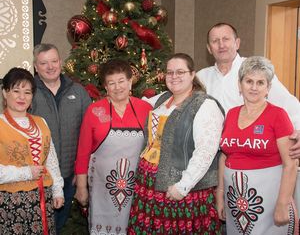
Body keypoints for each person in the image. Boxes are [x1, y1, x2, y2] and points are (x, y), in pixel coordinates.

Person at [127, 53, 225, 234]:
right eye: (169, 72)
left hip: (180, 186)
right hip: (148, 186)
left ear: (192, 74)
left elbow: (206, 151)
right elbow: (133, 102)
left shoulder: (204, 105)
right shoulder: (163, 99)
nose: (174, 77)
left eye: (180, 72)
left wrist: (183, 186)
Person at [217, 56, 299, 234]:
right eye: (249, 81)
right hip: (235, 202)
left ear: (268, 88)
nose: (254, 87)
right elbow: (225, 155)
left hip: (270, 201)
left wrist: (283, 204)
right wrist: (220, 193)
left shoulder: (278, 115)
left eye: (260, 82)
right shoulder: (230, 114)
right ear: (240, 85)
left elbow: (290, 163)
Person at [196, 22, 300, 159]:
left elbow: (288, 102)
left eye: (226, 39)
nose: (221, 45)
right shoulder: (201, 77)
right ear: (209, 48)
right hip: (210, 155)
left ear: (237, 43)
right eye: (215, 41)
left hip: (252, 152)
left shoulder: (256, 71)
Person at [74, 59, 152, 234]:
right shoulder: (95, 111)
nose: (117, 87)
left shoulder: (146, 109)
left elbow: (154, 149)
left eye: (121, 81)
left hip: (137, 188)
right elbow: (83, 152)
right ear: (105, 87)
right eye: (111, 83)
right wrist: (81, 187)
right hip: (101, 188)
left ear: (130, 81)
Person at [30, 43, 92, 233]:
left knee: (58, 225)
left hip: (69, 177)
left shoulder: (79, 92)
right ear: (35, 66)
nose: (50, 67)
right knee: (39, 226)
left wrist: (80, 173)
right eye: (43, 63)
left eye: (54, 61)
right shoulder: (28, 92)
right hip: (37, 178)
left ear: (61, 62)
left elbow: (89, 134)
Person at [0, 67, 64, 234]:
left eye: (27, 92)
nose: (22, 97)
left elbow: (51, 160)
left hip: (43, 199)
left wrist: (57, 190)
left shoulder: (41, 122)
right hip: (10, 204)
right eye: (16, 91)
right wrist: (26, 173)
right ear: (5, 93)